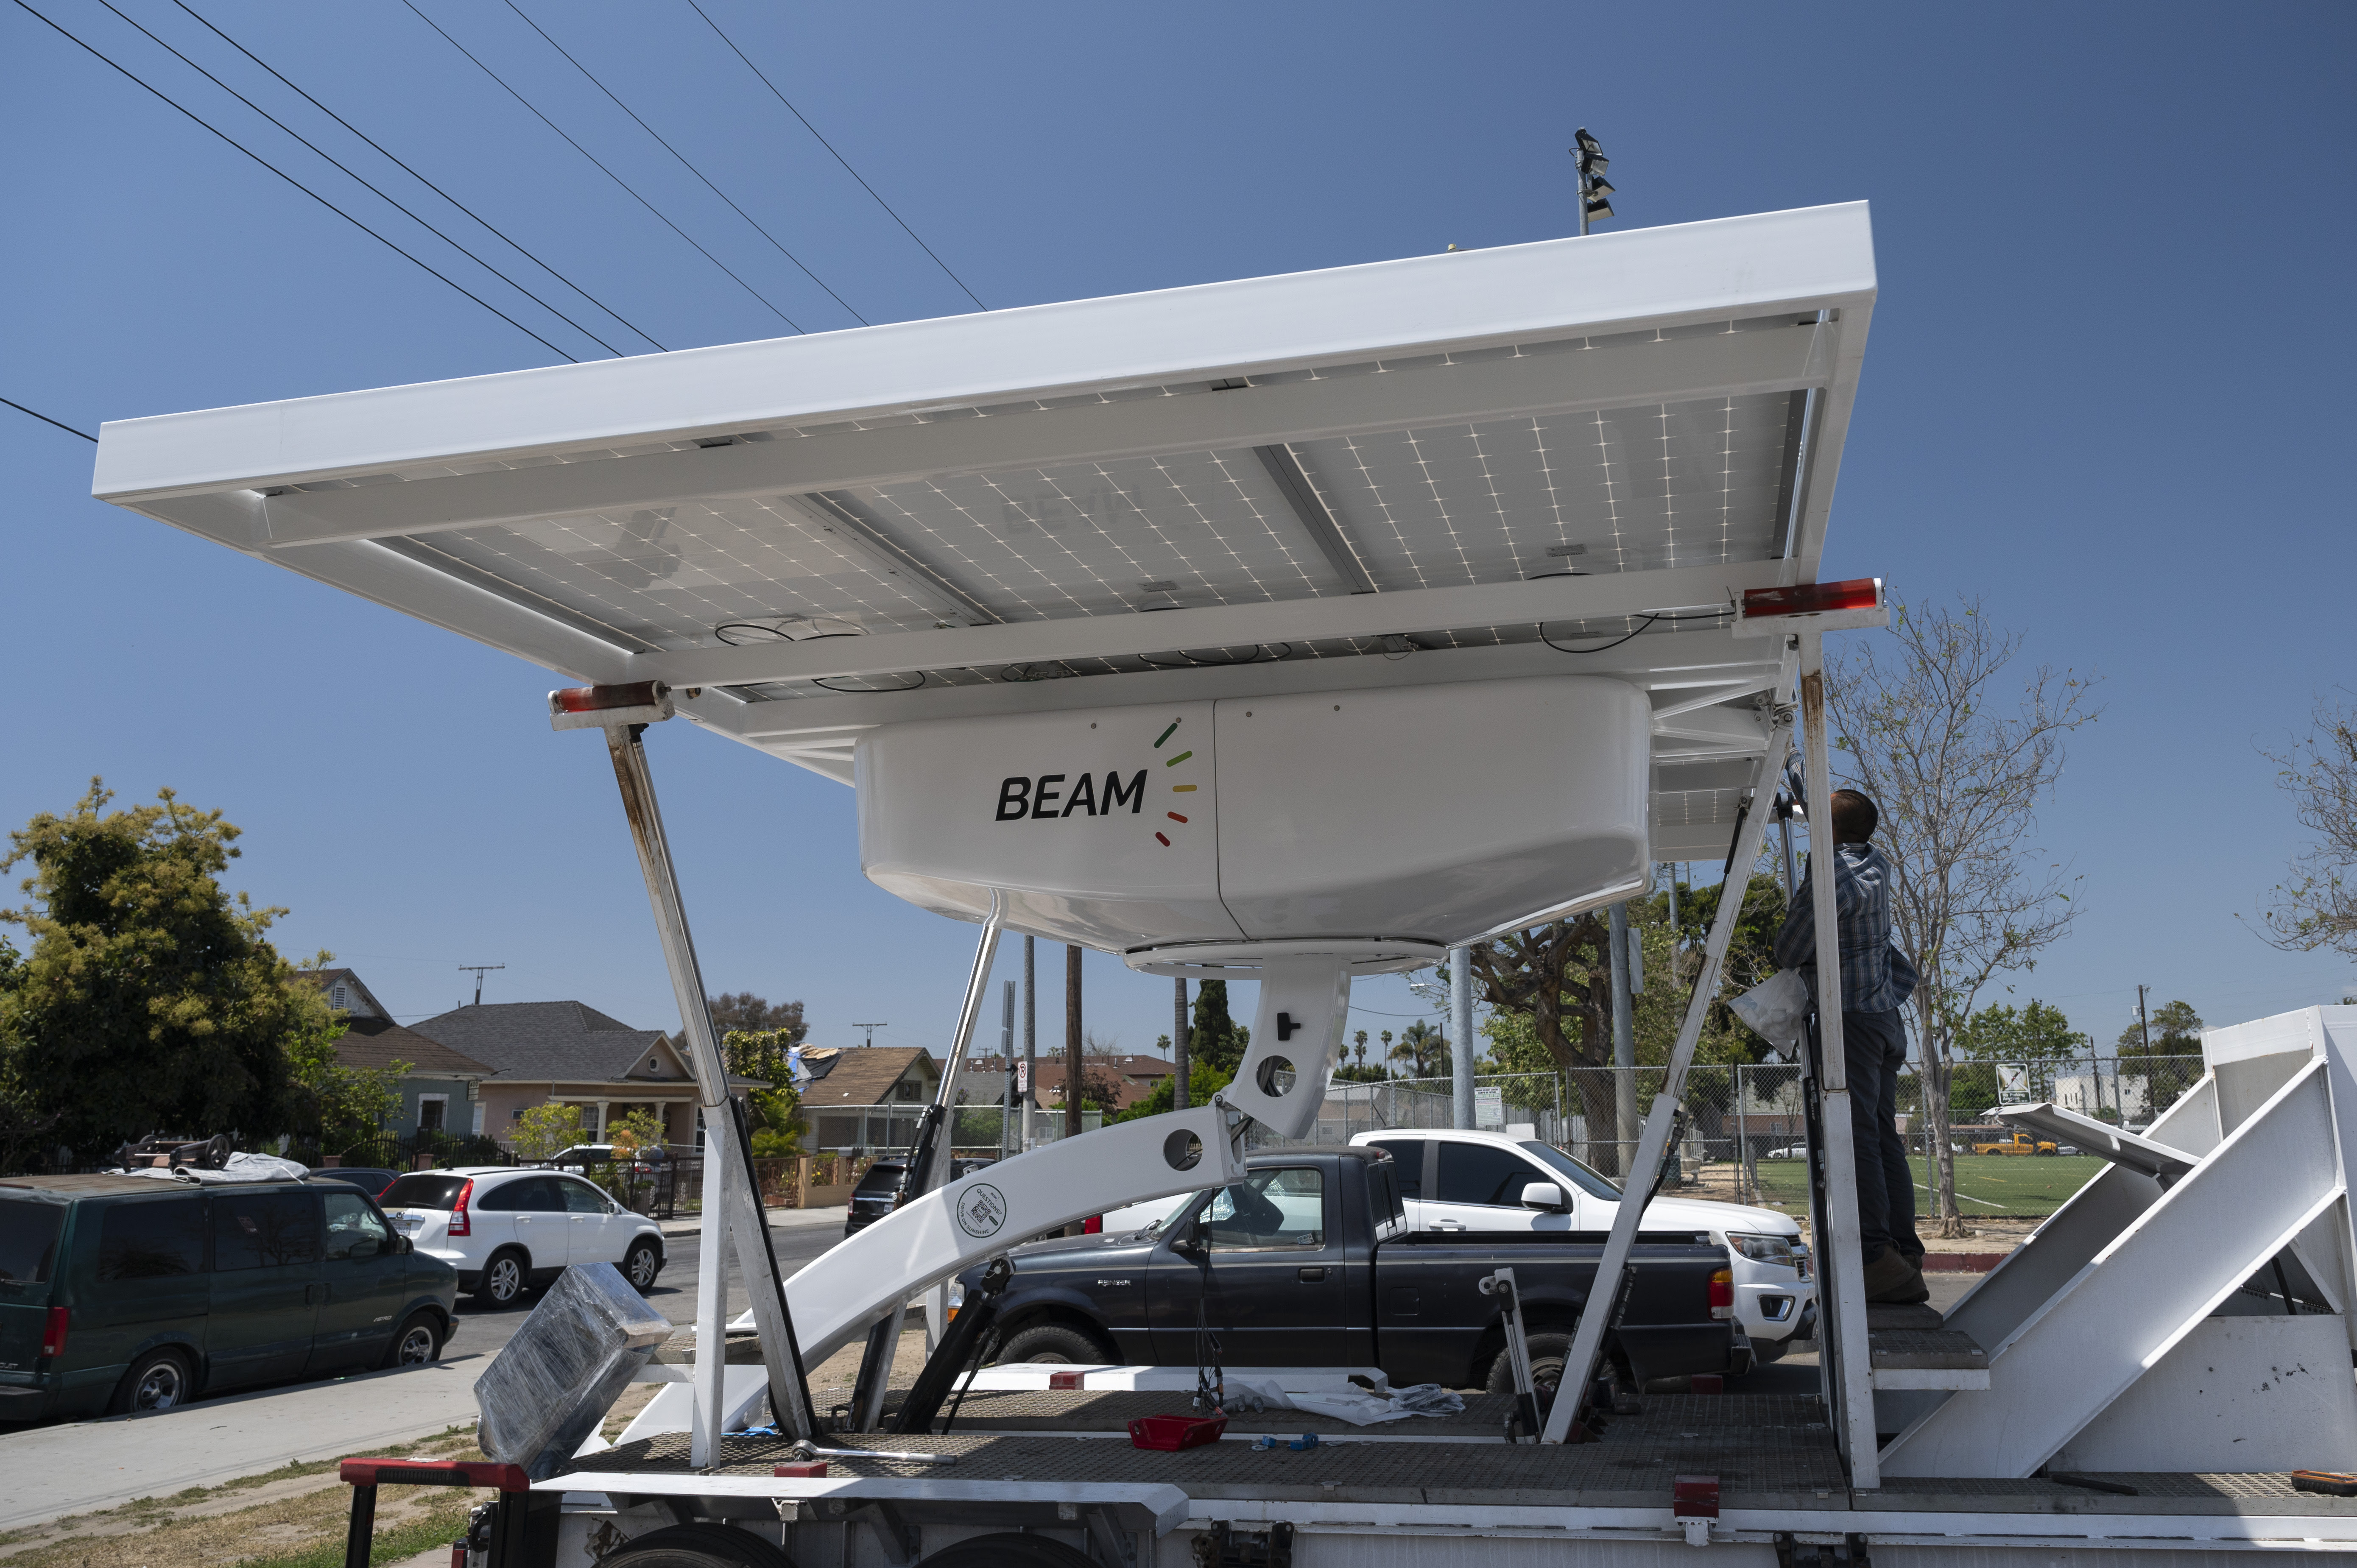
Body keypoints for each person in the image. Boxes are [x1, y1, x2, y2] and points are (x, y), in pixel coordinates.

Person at [1773, 787, 1926, 1305]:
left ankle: (1875, 1257)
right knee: (1884, 1136)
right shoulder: (1874, 863)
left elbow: (1788, 948)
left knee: (1857, 1136)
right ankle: (1903, 1253)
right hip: (1885, 1016)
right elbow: (1838, 830)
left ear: (1829, 830)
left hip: (1852, 1022)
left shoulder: (1828, 878)